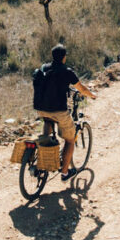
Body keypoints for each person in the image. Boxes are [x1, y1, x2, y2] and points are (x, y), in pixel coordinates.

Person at [34, 43, 96, 180]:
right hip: (58, 111)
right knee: (70, 139)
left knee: (48, 122)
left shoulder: (44, 68)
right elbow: (81, 89)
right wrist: (91, 95)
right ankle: (65, 173)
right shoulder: (67, 71)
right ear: (64, 57)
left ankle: (44, 147)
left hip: (41, 109)